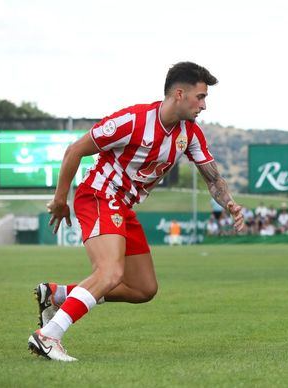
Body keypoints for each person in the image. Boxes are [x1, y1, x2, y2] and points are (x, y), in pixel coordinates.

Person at [29, 61, 245, 362]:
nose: (204, 105)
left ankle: (58, 295)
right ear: (179, 94)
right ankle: (48, 335)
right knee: (110, 272)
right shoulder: (131, 120)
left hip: (123, 206)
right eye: (201, 97)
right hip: (98, 195)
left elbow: (213, 178)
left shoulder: (190, 134)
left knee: (143, 288)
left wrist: (230, 204)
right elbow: (74, 150)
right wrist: (61, 199)